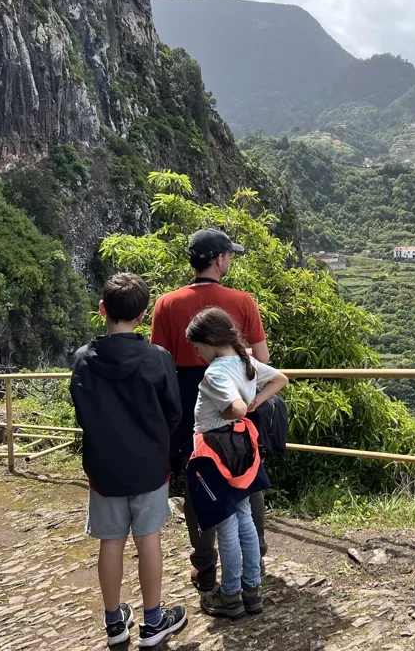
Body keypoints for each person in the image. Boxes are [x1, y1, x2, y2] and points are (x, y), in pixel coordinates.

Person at [69, 272, 188, 647]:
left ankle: (114, 622)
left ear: (102, 309)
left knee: (110, 541)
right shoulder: (157, 358)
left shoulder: (84, 360)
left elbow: (82, 412)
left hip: (104, 467)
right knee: (148, 539)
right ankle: (153, 623)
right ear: (143, 315)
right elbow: (174, 412)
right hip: (150, 466)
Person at [150, 228, 271, 592]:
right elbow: (263, 361)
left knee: (198, 483)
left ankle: (204, 567)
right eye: (229, 255)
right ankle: (256, 559)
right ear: (218, 259)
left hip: (190, 407)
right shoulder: (242, 301)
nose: (230, 260)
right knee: (246, 476)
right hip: (235, 405)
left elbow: (160, 365)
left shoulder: (166, 304)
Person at [184, 307, 289, 617]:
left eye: (198, 346)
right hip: (241, 447)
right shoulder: (246, 363)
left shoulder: (215, 372)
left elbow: (238, 408)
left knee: (226, 524)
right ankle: (251, 589)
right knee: (243, 517)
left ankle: (230, 595)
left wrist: (239, 409)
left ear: (211, 341)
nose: (198, 353)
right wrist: (256, 400)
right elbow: (280, 378)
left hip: (215, 453)